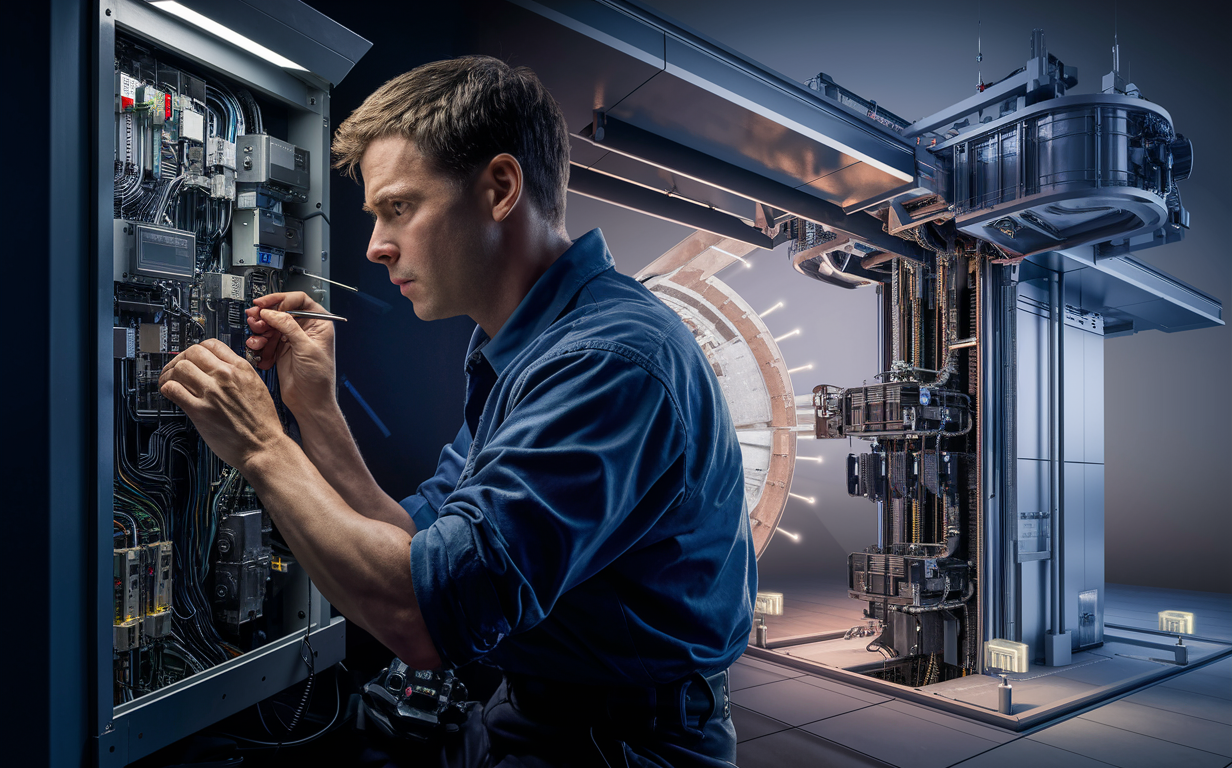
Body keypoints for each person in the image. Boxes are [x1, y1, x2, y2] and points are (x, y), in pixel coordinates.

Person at [158, 55, 755, 767]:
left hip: (620, 743)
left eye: (399, 208)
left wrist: (261, 447)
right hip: (538, 708)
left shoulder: (606, 362)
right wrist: (314, 412)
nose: (377, 246)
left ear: (501, 188)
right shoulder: (527, 348)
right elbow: (418, 540)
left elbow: (425, 615)